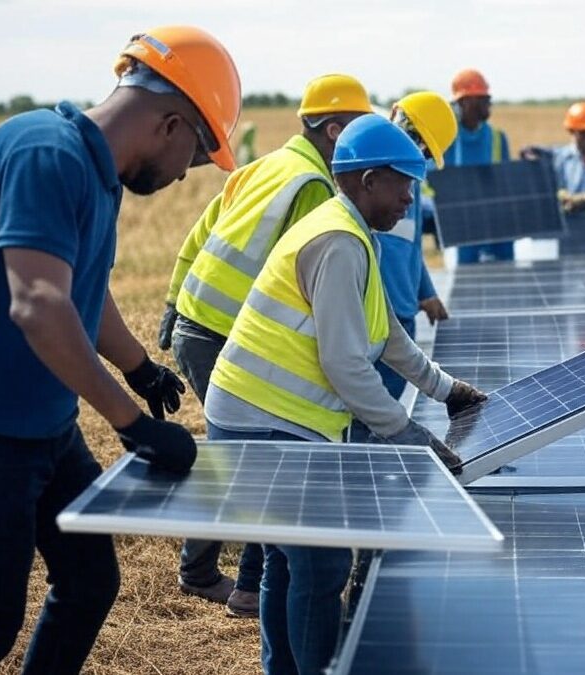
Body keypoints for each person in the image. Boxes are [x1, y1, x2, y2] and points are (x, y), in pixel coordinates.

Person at [0, 26, 241, 673]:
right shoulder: (44, 155)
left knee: (89, 583)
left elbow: (83, 289)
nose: (182, 175)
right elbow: (39, 306)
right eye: (195, 156)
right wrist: (130, 424)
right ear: (171, 124)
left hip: (44, 428)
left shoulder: (93, 173)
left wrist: (139, 367)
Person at [203, 114, 486, 674]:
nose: (411, 199)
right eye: (405, 183)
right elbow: (346, 365)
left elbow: (385, 335)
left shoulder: (354, 232)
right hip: (260, 421)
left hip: (269, 418)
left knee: (290, 564)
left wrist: (446, 390)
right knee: (319, 562)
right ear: (368, 179)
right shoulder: (338, 241)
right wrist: (408, 433)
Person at [157, 73, 373, 617]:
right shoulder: (315, 188)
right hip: (223, 338)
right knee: (260, 463)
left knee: (248, 460)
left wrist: (171, 301)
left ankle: (227, 576)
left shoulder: (268, 165)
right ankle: (228, 581)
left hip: (197, 323)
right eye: (354, 129)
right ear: (331, 130)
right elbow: (309, 280)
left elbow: (200, 232)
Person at [370, 91, 457, 401]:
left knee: (390, 397)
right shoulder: (369, 176)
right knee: (369, 412)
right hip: (374, 317)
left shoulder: (413, 182)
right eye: (415, 139)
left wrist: (426, 292)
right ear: (395, 115)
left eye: (425, 151)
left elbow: (411, 243)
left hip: (404, 315)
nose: (417, 151)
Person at [442, 68, 513, 263]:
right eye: (482, 98)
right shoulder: (446, 141)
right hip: (463, 231)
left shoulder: (498, 138)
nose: (488, 103)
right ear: (465, 102)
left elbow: (507, 184)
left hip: (499, 230)